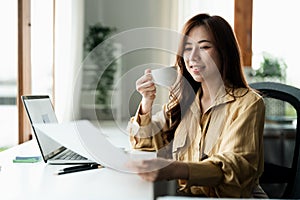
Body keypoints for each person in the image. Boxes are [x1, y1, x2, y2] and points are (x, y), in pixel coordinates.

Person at [127, 13, 267, 198]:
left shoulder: (249, 103)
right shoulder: (184, 102)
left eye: (204, 47)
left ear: (224, 52)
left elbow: (234, 167)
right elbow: (144, 143)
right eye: (187, 48)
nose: (192, 57)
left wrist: (174, 169)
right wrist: (147, 100)